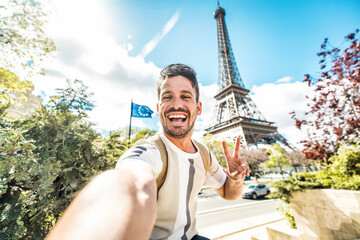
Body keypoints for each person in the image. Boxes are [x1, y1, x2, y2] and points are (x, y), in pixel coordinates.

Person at [47, 63, 249, 240]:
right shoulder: (150, 151)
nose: (176, 104)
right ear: (159, 106)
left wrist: (236, 179)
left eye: (185, 97)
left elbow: (228, 193)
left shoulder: (204, 154)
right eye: (167, 97)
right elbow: (133, 182)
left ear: (199, 107)